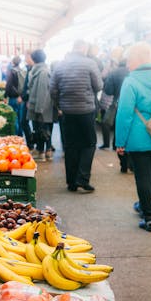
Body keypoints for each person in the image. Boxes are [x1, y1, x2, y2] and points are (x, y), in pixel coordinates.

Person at [115, 41, 151, 232]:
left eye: (130, 59)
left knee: (142, 175)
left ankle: (149, 216)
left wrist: (120, 142)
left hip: (139, 136)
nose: (127, 64)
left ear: (139, 58)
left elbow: (124, 114)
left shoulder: (131, 81)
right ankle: (144, 204)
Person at [50, 40, 103, 192]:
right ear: (84, 48)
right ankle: (83, 179)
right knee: (89, 144)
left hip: (67, 112)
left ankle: (71, 182)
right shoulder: (90, 63)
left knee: (71, 146)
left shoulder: (60, 65)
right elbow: (99, 86)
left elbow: (52, 90)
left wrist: (59, 105)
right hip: (86, 111)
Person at [27, 49, 55, 161]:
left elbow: (42, 92)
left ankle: (41, 152)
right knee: (45, 129)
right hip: (43, 106)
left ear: (34, 59)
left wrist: (39, 109)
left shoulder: (42, 72)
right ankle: (46, 151)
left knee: (41, 130)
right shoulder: (40, 70)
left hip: (42, 107)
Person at [102, 58, 130, 171]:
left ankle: (110, 145)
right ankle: (129, 163)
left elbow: (108, 90)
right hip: (134, 106)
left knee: (110, 123)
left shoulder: (114, 73)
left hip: (117, 103)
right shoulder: (133, 72)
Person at [5, 56, 26, 136]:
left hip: (13, 97)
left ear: (13, 62)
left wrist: (5, 96)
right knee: (20, 117)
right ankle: (20, 135)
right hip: (21, 98)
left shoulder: (12, 71)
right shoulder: (23, 71)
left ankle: (15, 135)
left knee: (14, 117)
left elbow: (9, 85)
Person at [21, 51, 35, 149]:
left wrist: (27, 99)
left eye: (26, 57)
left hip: (30, 101)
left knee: (26, 122)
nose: (25, 59)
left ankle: (32, 144)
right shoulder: (29, 68)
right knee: (25, 122)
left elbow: (31, 87)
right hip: (27, 100)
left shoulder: (34, 70)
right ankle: (31, 143)